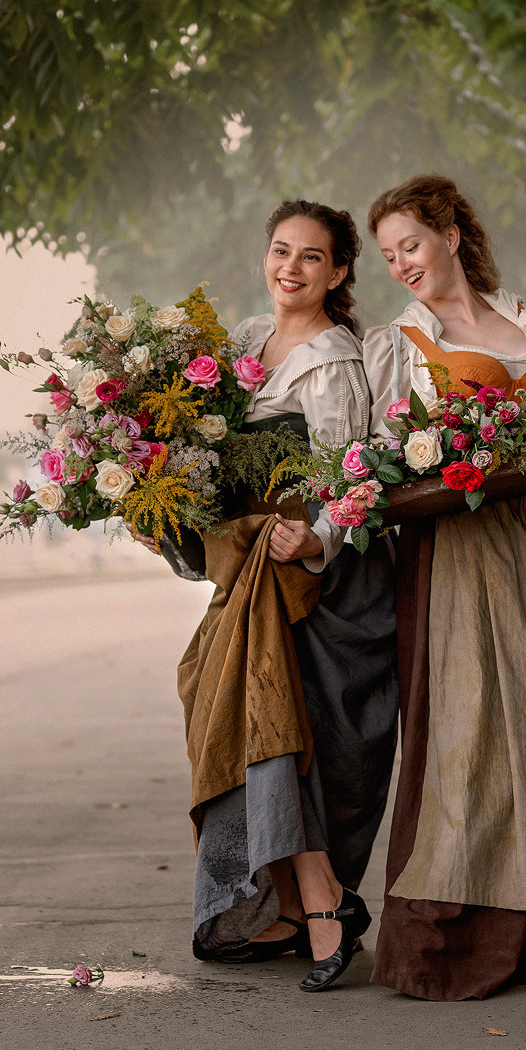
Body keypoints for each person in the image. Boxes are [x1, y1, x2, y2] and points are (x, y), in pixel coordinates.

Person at [362, 174, 526, 1001]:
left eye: (410, 243)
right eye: (386, 255)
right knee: (472, 729)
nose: (401, 264)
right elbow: (383, 447)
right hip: (461, 545)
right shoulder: (399, 342)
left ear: (449, 233)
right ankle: (457, 936)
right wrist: (443, 446)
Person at [138, 200, 397, 993]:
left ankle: (318, 905)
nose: (291, 268)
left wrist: (313, 537)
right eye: (281, 251)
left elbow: (350, 478)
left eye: (311, 257)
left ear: (340, 272)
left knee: (279, 734)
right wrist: (162, 504)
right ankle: (298, 904)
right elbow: (206, 459)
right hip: (255, 568)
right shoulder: (244, 342)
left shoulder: (336, 361)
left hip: (320, 578)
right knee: (249, 722)